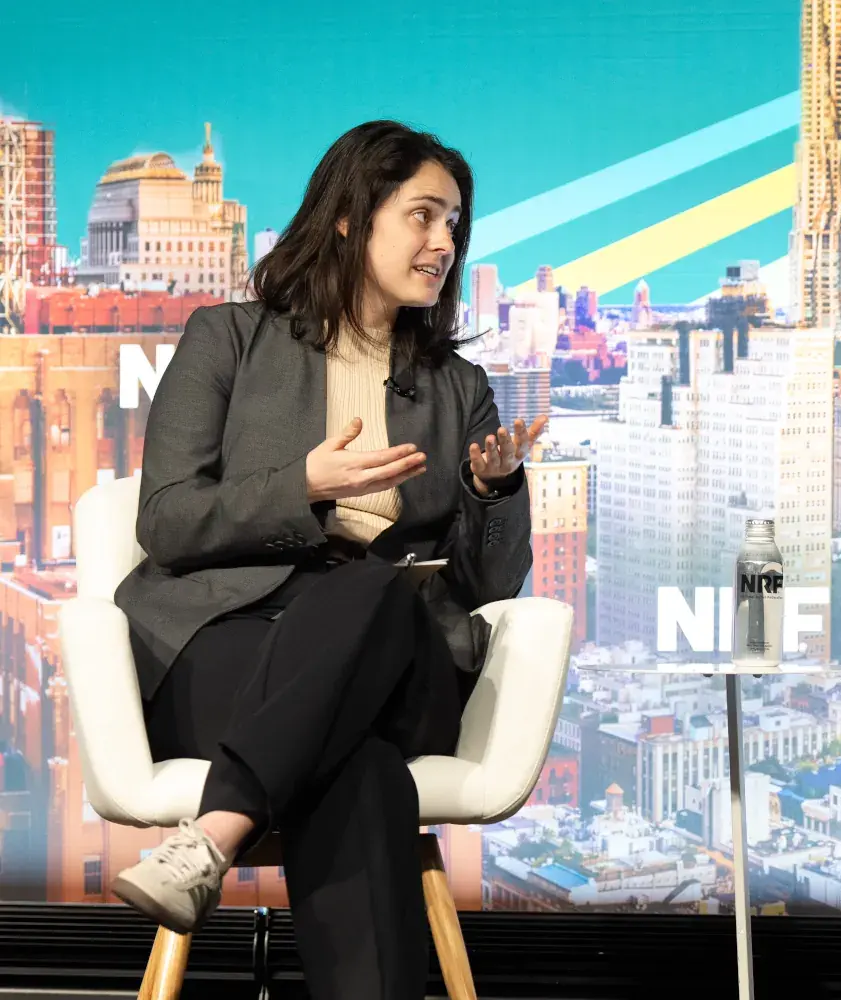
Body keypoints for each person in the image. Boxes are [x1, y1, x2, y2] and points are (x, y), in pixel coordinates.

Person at [108, 120, 546, 1000]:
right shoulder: (228, 338)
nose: (443, 243)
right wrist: (301, 486)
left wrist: (495, 493)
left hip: (398, 662)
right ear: (351, 218)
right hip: (232, 644)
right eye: (423, 216)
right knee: (361, 773)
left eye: (455, 224)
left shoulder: (458, 387)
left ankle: (216, 837)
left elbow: (488, 587)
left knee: (378, 590)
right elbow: (167, 521)